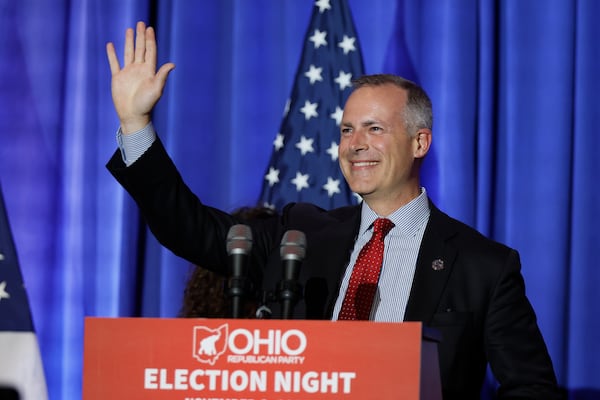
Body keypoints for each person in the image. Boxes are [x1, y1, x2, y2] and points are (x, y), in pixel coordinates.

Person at [105, 21, 563, 399]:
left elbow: (533, 388)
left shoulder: (483, 266)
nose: (355, 144)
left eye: (374, 128)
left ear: (420, 142)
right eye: (346, 130)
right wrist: (135, 123)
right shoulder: (299, 235)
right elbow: (189, 229)